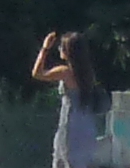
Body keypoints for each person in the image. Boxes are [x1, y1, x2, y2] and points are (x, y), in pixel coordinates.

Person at [28, 33, 106, 168]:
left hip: (70, 124)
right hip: (88, 125)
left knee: (63, 160)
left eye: (61, 47)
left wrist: (45, 48)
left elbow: (37, 73)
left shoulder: (65, 72)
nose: (59, 49)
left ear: (68, 51)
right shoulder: (88, 74)